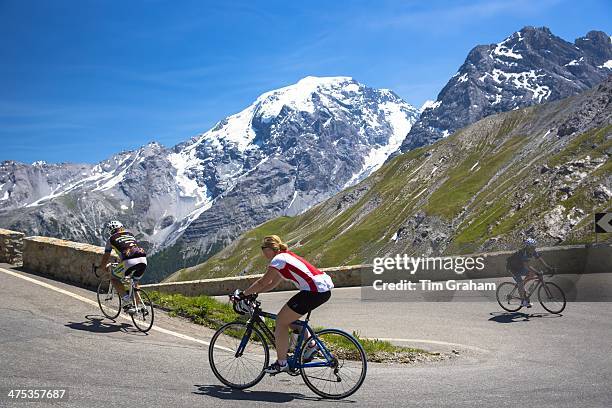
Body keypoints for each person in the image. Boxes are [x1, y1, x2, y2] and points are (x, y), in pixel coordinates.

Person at [239, 235, 334, 374]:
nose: (262, 252)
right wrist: (255, 294)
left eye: (263, 248)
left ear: (270, 248)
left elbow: (262, 282)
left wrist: (243, 294)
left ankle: (282, 363)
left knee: (280, 321)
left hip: (314, 291)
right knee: (288, 318)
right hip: (320, 290)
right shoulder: (284, 257)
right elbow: (271, 284)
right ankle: (311, 345)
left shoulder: (278, 260)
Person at [98, 220, 148, 314]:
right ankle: (137, 306)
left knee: (114, 278)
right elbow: (128, 248)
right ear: (121, 227)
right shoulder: (130, 234)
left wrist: (102, 266)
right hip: (143, 260)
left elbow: (106, 255)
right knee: (135, 282)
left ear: (111, 231)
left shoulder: (111, 239)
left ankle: (126, 301)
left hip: (129, 262)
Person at [506, 237, 552, 307]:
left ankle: (521, 287)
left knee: (532, 274)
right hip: (512, 269)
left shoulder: (532, 251)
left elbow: (539, 259)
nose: (533, 249)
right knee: (521, 283)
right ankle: (523, 301)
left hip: (520, 267)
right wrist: (537, 272)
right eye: (532, 247)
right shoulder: (523, 253)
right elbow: (527, 266)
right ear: (528, 247)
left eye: (534, 247)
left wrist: (548, 267)